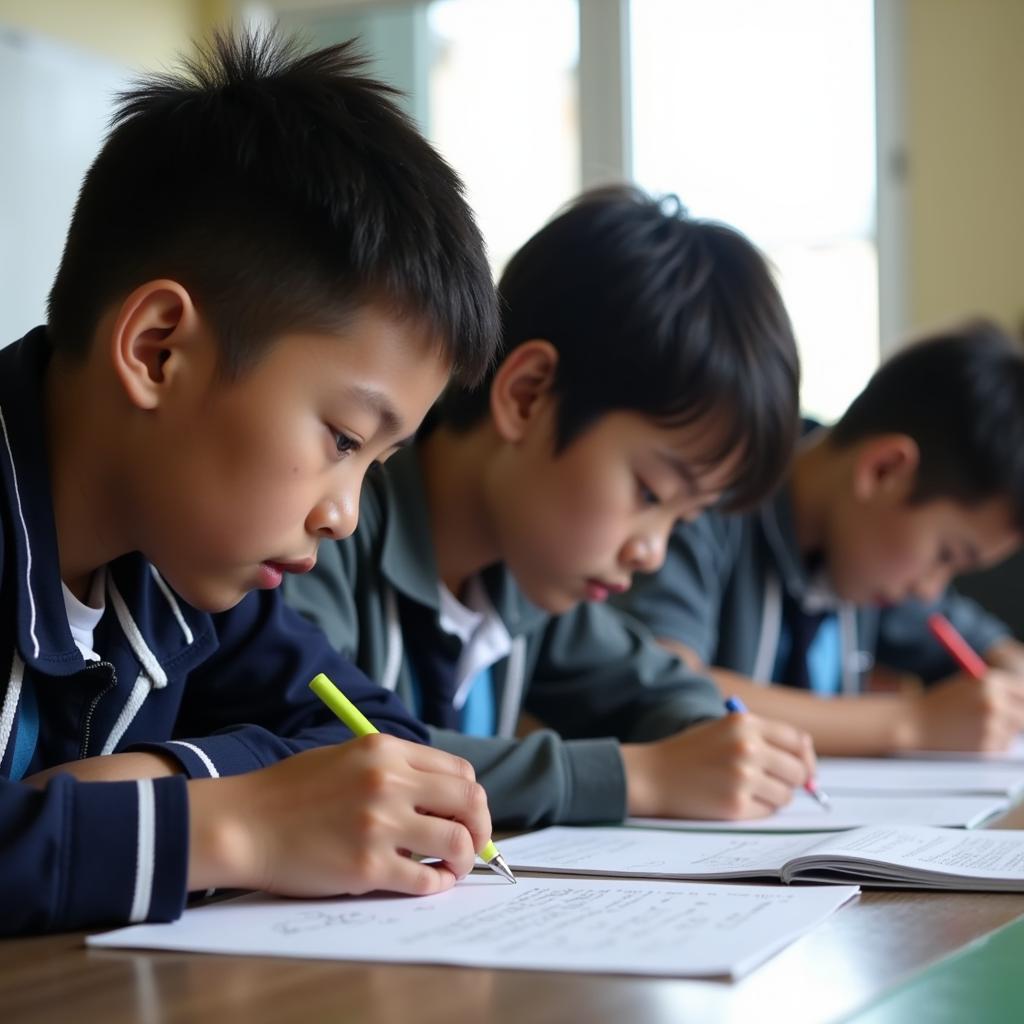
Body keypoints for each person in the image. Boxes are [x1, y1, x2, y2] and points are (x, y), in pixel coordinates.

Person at [1, 29, 501, 935]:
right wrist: (230, 826)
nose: (345, 514)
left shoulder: (182, 567)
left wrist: (165, 781)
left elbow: (382, 743)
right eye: (344, 438)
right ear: (159, 351)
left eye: (376, 465)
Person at [286, 186, 817, 828]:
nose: (650, 552)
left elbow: (666, 689)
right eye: (649, 494)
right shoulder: (325, 523)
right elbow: (320, 743)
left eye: (682, 518)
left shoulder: (527, 587)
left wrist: (716, 744)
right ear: (530, 396)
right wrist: (636, 778)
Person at [617, 321, 1024, 755]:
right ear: (884, 471)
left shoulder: (864, 552)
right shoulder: (707, 495)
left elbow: (978, 640)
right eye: (946, 555)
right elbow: (660, 681)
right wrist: (910, 723)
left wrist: (1006, 668)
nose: (929, 588)